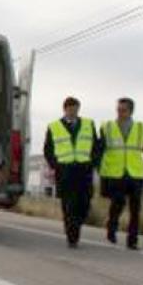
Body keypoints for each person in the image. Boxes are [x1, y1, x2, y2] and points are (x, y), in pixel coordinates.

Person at [97, 97, 143, 250]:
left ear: (131, 111)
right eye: (118, 110)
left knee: (135, 209)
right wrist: (96, 166)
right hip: (115, 172)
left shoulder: (141, 128)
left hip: (135, 173)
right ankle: (112, 226)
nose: (120, 113)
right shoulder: (107, 127)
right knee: (118, 202)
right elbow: (99, 149)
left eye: (123, 110)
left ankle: (132, 240)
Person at [43, 97, 99, 248]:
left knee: (84, 203)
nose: (73, 112)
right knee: (68, 205)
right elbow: (48, 149)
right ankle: (72, 237)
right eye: (70, 109)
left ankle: (77, 224)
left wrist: (93, 162)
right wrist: (55, 165)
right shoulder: (54, 126)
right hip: (65, 171)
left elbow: (96, 146)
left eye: (76, 109)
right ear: (65, 109)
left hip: (84, 170)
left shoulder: (88, 124)